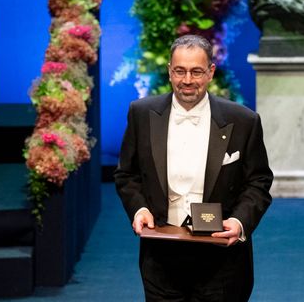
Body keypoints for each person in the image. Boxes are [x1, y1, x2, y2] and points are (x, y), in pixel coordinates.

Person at [114, 34, 273, 302]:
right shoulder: (141, 113)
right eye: (180, 71)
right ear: (169, 71)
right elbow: (126, 174)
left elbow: (258, 181)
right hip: (160, 256)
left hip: (222, 260)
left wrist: (239, 221)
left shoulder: (243, 121)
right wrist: (139, 208)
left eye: (196, 71)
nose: (187, 80)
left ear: (210, 72)